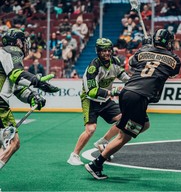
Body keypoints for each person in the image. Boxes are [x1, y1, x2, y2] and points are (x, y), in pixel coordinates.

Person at [84, 29, 181, 180]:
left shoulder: (143, 51)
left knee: (145, 124)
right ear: (168, 42)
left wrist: (147, 48)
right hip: (138, 97)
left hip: (128, 93)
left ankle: (106, 142)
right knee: (125, 137)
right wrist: (152, 50)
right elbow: (173, 70)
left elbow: (132, 63)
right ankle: (96, 164)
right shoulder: (174, 58)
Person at [0, 28, 60, 169]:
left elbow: (15, 85)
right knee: (14, 142)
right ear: (19, 41)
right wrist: (38, 82)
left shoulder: (3, 54)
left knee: (4, 143)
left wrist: (33, 97)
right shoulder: (13, 50)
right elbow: (16, 75)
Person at [67, 38, 130, 166]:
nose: (107, 53)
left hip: (105, 100)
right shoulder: (93, 67)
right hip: (90, 100)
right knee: (90, 129)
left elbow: (124, 77)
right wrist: (111, 92)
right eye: (103, 51)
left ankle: (103, 141)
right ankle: (74, 155)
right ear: (98, 52)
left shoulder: (116, 62)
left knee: (124, 118)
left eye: (109, 50)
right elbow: (91, 91)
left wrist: (134, 84)